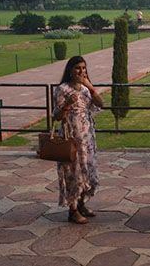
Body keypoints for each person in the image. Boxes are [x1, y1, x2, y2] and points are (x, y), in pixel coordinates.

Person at [54, 56, 105, 224]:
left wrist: (90, 87)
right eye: (77, 68)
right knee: (72, 172)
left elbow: (101, 104)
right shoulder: (63, 89)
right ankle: (73, 209)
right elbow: (57, 116)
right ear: (70, 70)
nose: (81, 71)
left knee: (87, 170)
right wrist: (67, 104)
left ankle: (82, 203)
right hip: (71, 136)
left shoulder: (85, 88)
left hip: (86, 135)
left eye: (84, 68)